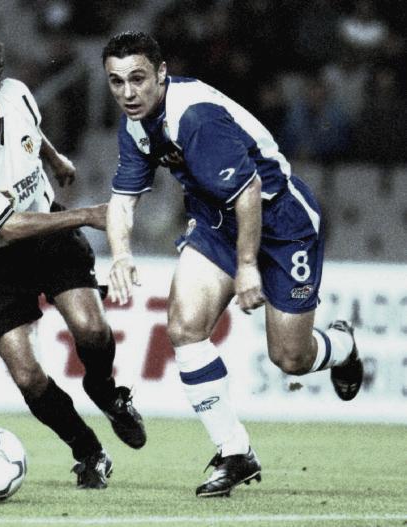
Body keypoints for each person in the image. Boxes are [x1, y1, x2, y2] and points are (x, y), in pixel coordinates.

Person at [101, 31, 363, 498]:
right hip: (216, 223)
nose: (128, 92)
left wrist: (247, 266)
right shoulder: (135, 125)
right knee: (184, 327)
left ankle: (342, 346)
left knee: (291, 358)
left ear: (161, 74)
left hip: (282, 224)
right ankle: (235, 451)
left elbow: (249, 192)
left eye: (137, 79)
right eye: (116, 82)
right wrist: (120, 255)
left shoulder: (195, 117)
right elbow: (121, 201)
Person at [0, 31, 146, 490]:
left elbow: (30, 130)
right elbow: (5, 227)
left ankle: (105, 392)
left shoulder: (16, 94)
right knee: (28, 375)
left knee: (92, 329)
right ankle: (88, 451)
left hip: (48, 236)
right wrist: (87, 215)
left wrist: (55, 158)